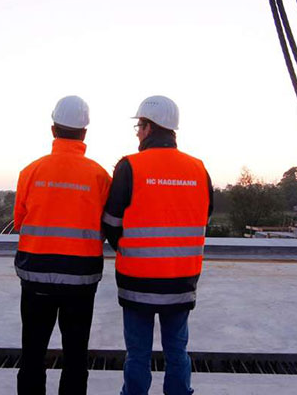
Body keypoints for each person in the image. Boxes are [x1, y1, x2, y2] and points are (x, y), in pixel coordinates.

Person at [102, 95, 213, 395]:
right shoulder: (198, 170)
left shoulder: (130, 167)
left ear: (150, 127)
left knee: (138, 354)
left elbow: (110, 222)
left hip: (137, 282)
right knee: (177, 351)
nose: (137, 133)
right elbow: (205, 215)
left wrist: (126, 249)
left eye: (139, 126)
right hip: (181, 282)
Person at [14, 95, 112, 395]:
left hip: (36, 276)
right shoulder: (98, 176)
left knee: (32, 351)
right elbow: (106, 227)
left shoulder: (31, 172)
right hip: (80, 280)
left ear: (53, 129)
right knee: (75, 354)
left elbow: (20, 223)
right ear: (85, 132)